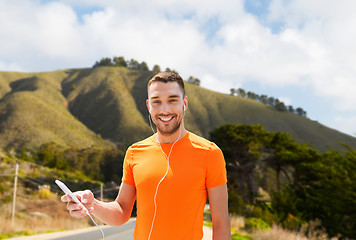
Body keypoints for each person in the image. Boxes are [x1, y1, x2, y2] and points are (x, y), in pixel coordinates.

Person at [61, 71, 231, 240]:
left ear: (184, 103)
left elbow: (220, 222)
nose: (164, 110)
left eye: (172, 100)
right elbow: (121, 212)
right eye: (157, 102)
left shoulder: (209, 153)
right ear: (149, 106)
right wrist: (92, 204)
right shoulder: (135, 152)